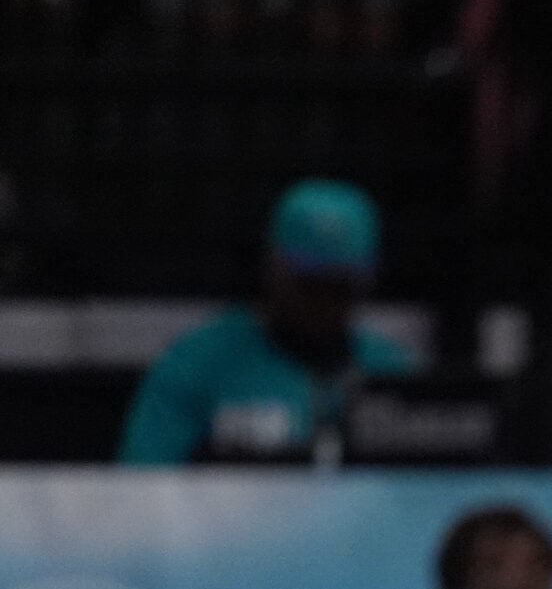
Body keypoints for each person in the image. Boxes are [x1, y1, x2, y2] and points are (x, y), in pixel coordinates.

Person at [117, 179, 419, 465]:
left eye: (339, 285)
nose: (323, 300)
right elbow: (141, 485)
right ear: (272, 268)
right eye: (308, 282)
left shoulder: (392, 372)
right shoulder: (197, 365)